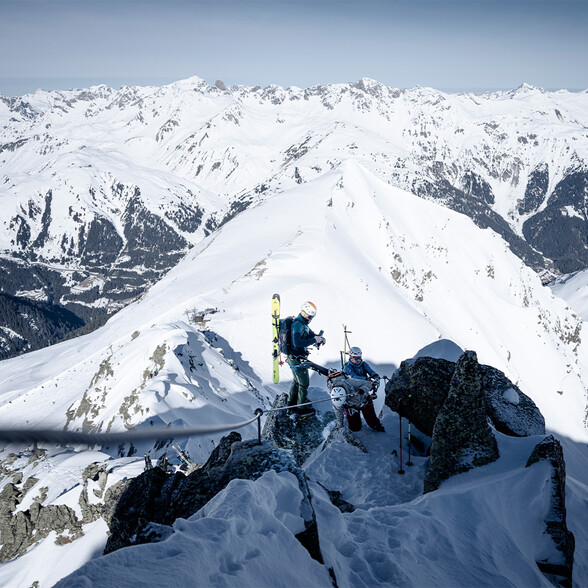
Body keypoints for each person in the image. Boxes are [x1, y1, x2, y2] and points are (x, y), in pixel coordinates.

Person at [329, 346, 385, 432]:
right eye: (356, 358)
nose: (358, 360)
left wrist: (374, 376)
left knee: (373, 422)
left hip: (363, 395)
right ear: (350, 357)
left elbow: (370, 372)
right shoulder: (347, 368)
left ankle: (375, 425)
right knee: (355, 427)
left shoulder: (363, 364)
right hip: (351, 403)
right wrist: (339, 424)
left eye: (359, 358)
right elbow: (354, 378)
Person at [286, 301, 326, 413]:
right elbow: (297, 343)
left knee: (296, 381)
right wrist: (314, 340)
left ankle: (291, 402)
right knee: (304, 383)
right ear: (304, 313)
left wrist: (318, 338)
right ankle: (301, 408)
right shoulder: (298, 325)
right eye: (310, 316)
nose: (311, 319)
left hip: (294, 358)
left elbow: (311, 335)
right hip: (297, 358)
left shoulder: (302, 324)